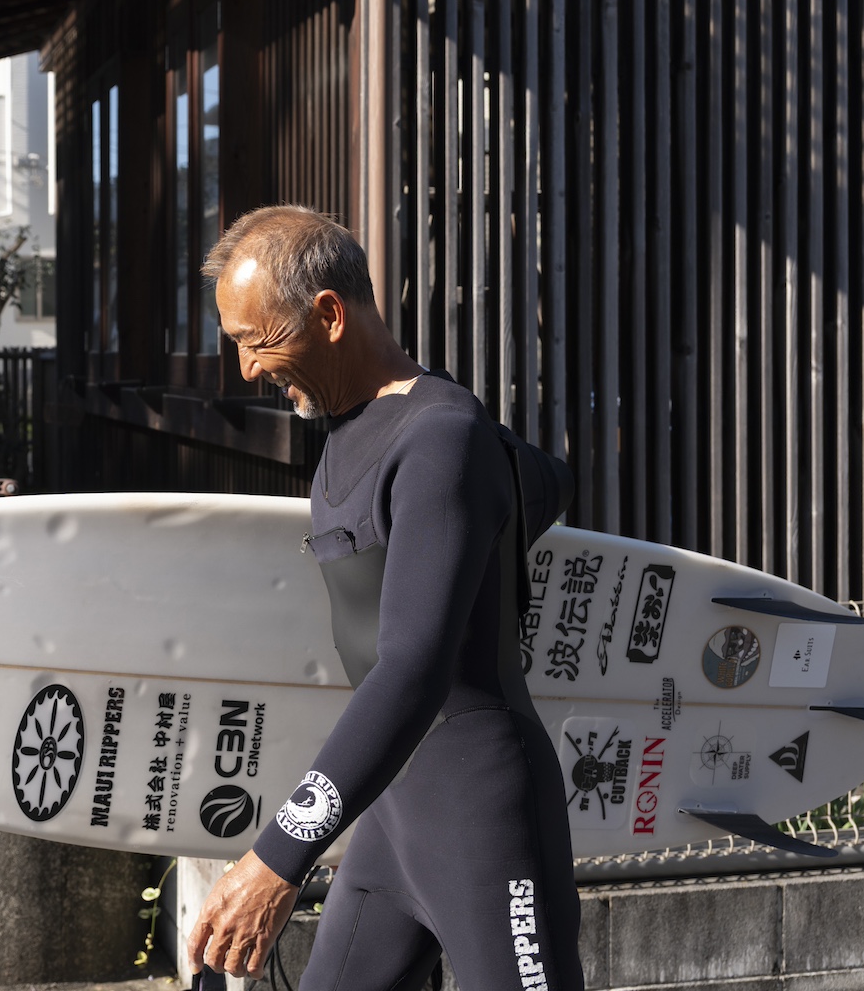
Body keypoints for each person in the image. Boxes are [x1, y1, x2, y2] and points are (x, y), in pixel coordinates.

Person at [187, 205, 581, 991]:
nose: (247, 371)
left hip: (485, 817)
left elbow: (409, 668)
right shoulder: (352, 426)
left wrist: (277, 859)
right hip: (394, 815)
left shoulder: (438, 435)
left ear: (328, 314)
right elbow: (544, 485)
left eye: (253, 340)